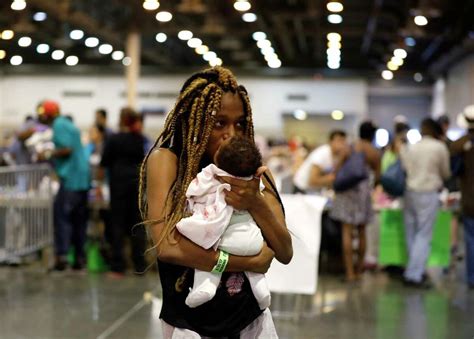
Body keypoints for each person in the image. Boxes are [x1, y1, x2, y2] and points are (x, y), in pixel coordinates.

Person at [139, 66, 292, 338]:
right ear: (192, 121)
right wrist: (247, 262)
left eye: (240, 124)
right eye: (219, 123)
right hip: (189, 324)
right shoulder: (168, 161)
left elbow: (283, 251)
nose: (231, 134)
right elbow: (167, 247)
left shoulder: (255, 172)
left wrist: (255, 202)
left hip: (250, 323)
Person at [176, 136, 270, 310]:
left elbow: (195, 189)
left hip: (226, 242)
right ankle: (262, 290)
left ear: (218, 158)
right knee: (254, 270)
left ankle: (206, 285)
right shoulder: (253, 182)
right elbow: (261, 193)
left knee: (205, 247)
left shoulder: (212, 173)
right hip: (253, 241)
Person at [37, 100, 90, 271]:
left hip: (71, 179)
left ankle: (63, 257)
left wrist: (47, 154)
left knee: (62, 218)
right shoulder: (67, 123)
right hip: (82, 179)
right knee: (79, 220)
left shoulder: (59, 125)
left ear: (47, 114)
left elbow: (67, 149)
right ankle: (80, 258)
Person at [400, 118, 450, 288]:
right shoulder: (439, 147)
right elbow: (445, 172)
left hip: (409, 191)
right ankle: (414, 274)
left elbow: (405, 168)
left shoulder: (412, 147)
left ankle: (413, 269)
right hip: (428, 192)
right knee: (424, 234)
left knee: (411, 232)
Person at [330, 121, 381, 282]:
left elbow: (337, 169)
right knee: (362, 231)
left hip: (346, 192)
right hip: (363, 193)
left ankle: (349, 273)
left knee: (347, 231)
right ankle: (359, 271)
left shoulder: (350, 147)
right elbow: (378, 176)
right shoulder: (374, 152)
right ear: (372, 135)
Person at [99, 107, 147, 275]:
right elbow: (142, 160)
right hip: (135, 184)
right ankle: (139, 265)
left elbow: (104, 161)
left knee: (117, 225)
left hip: (118, 185)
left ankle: (118, 266)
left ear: (121, 119)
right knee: (137, 225)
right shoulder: (139, 139)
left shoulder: (114, 139)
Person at [450, 106, 474, 289]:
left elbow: (453, 171)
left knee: (470, 239)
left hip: (469, 200)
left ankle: (472, 277)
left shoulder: (458, 145)